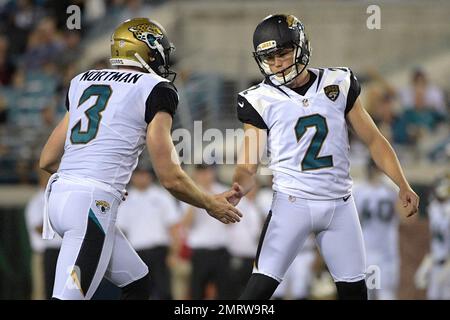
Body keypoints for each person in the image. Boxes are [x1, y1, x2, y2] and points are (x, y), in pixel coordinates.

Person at [39, 17, 241, 300]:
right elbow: (170, 177)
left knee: (138, 283)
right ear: (146, 50)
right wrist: (209, 203)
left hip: (60, 199)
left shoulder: (82, 80)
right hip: (91, 206)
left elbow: (47, 159)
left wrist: (81, 178)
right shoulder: (154, 88)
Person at [229, 14, 419, 300]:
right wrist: (239, 187)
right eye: (270, 57)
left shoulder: (338, 83)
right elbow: (248, 162)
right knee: (255, 294)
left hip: (340, 205)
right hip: (291, 204)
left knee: (356, 294)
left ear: (301, 46)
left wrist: (402, 184)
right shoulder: (260, 99)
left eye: (283, 53)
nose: (278, 63)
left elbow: (374, 140)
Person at [117, 167, 180, 299]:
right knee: (139, 292)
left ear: (150, 176)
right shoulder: (125, 199)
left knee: (163, 291)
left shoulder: (161, 196)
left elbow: (173, 227)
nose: (141, 178)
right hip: (136, 253)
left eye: (144, 174)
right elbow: (121, 231)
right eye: (138, 174)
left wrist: (174, 253)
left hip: (159, 251)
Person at [353, 160, 400, 300]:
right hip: (376, 253)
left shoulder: (359, 190)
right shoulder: (390, 189)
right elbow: (407, 217)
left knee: (378, 294)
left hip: (380, 253)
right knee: (379, 294)